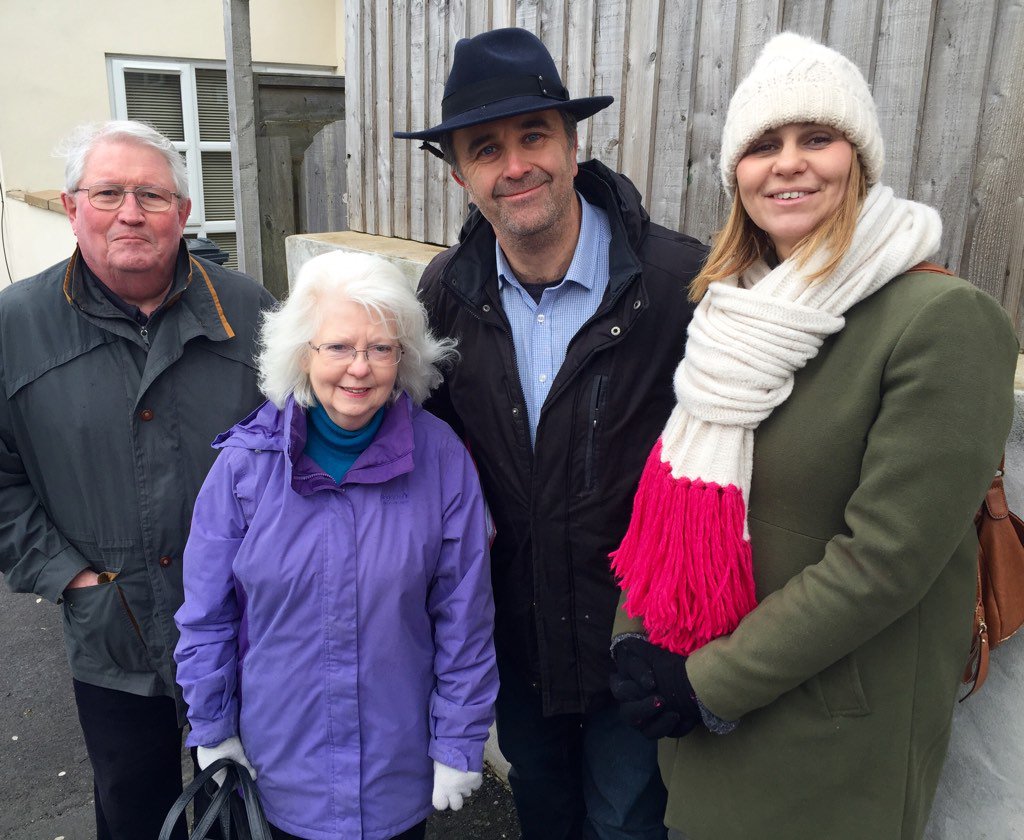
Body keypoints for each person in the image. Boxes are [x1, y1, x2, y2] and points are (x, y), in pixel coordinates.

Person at [608, 32, 1018, 840]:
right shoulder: (733, 313)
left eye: (816, 139)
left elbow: (884, 561)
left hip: (826, 742)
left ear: (858, 158)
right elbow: (669, 495)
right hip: (702, 716)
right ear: (738, 177)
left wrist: (708, 685)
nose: (788, 163)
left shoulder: (941, 322)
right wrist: (635, 637)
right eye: (763, 145)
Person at [394, 27, 706, 840]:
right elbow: (427, 454)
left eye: (534, 135)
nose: (515, 165)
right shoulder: (445, 295)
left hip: (634, 644)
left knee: (627, 823)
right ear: (460, 175)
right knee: (545, 812)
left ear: (571, 144)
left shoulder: (679, 287)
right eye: (486, 149)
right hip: (513, 641)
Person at [0, 120, 274, 839]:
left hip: (244, 626)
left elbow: (301, 450)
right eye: (109, 192)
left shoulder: (250, 312)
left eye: (152, 195)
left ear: (183, 215)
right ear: (70, 207)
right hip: (111, 633)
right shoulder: (15, 325)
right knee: (133, 809)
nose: (130, 212)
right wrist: (67, 575)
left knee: (244, 806)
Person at [173, 250, 498, 840]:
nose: (360, 368)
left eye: (381, 348)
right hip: (279, 767)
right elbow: (206, 615)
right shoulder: (246, 467)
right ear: (303, 354)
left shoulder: (441, 458)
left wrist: (459, 735)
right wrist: (212, 727)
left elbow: (464, 615)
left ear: (403, 359)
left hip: (394, 769)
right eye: (339, 347)